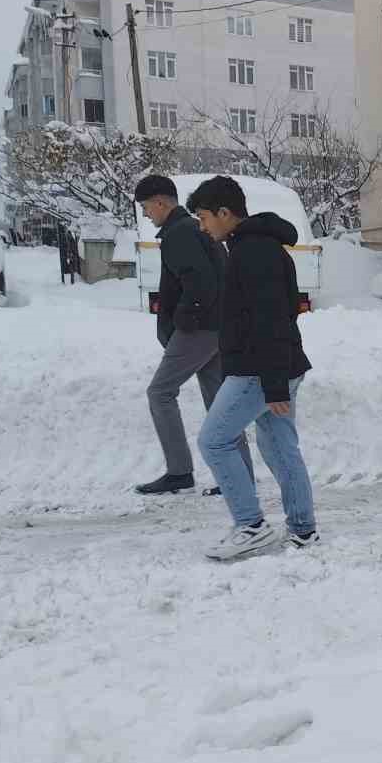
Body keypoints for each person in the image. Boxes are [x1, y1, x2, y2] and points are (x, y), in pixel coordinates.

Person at [188, 176, 318, 560]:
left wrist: (274, 384)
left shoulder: (253, 252)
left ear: (225, 213)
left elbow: (272, 319)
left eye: (204, 217)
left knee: (214, 440)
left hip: (260, 371)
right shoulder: (254, 246)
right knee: (279, 446)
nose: (202, 226)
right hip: (275, 365)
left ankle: (250, 525)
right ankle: (303, 529)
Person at [133, 175, 250, 496]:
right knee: (220, 402)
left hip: (199, 329)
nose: (146, 214)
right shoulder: (193, 228)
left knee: (160, 393)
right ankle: (240, 475)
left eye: (146, 207)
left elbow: (200, 282)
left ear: (160, 202)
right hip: (215, 327)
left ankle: (179, 471)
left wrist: (184, 319)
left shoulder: (179, 234)